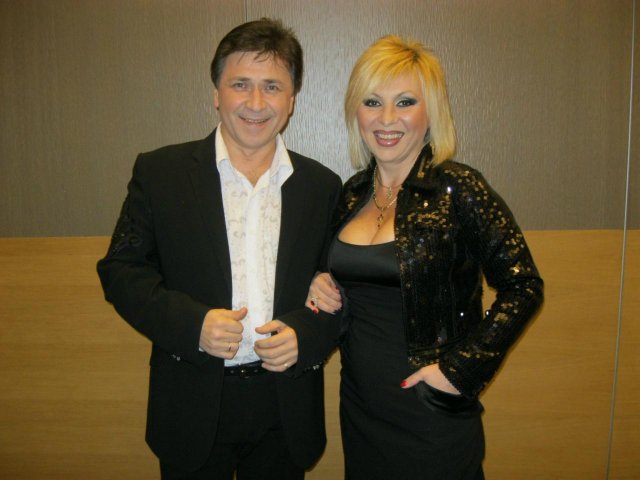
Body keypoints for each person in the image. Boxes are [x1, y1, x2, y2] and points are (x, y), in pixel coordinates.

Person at [97, 18, 342, 480]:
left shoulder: (322, 187)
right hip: (190, 400)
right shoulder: (161, 173)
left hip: (284, 407)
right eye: (240, 84)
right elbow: (121, 270)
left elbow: (342, 291)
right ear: (216, 93)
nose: (256, 102)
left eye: (272, 86)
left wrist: (306, 336)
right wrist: (193, 325)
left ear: (292, 99)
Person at [307, 35, 544, 479]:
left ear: (430, 111)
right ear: (356, 112)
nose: (387, 119)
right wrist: (319, 282)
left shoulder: (458, 188)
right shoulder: (351, 194)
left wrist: (460, 370)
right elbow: (340, 284)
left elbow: (524, 286)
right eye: (373, 102)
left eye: (405, 102)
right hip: (361, 406)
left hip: (431, 411)